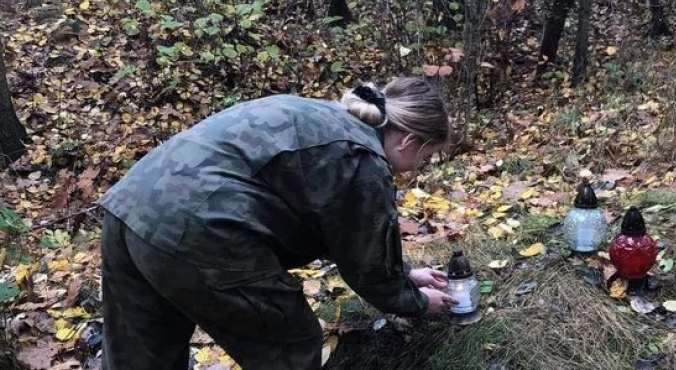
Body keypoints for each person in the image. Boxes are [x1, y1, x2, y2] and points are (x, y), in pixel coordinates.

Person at [98, 77, 458, 370]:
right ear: (408, 141)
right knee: (290, 344)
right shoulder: (362, 158)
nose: (418, 167)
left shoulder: (320, 115)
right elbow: (368, 270)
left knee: (141, 356)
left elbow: (348, 236)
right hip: (197, 230)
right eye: (425, 157)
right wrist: (415, 302)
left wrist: (405, 273)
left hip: (128, 208)